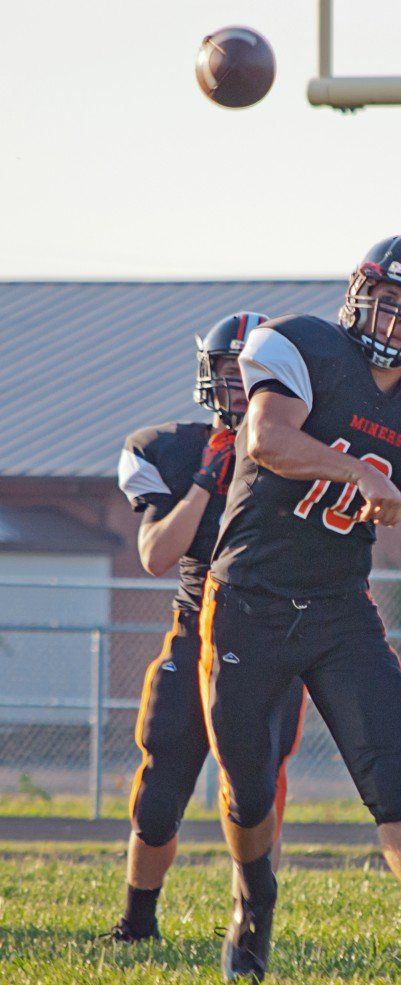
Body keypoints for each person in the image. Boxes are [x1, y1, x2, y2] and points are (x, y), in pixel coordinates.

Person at [199, 235, 401, 985]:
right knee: (248, 787)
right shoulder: (303, 346)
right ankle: (252, 902)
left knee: (388, 773)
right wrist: (359, 469)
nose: (395, 320)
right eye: (387, 300)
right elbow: (267, 439)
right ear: (359, 295)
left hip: (337, 609)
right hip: (248, 599)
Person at [105, 312, 306, 942]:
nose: (241, 387)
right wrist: (202, 482)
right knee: (160, 785)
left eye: (253, 374)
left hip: (269, 638)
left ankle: (253, 928)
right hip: (196, 632)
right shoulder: (173, 449)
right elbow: (155, 555)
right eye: (230, 373)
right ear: (208, 377)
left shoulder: (302, 448)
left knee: (255, 791)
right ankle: (137, 923)